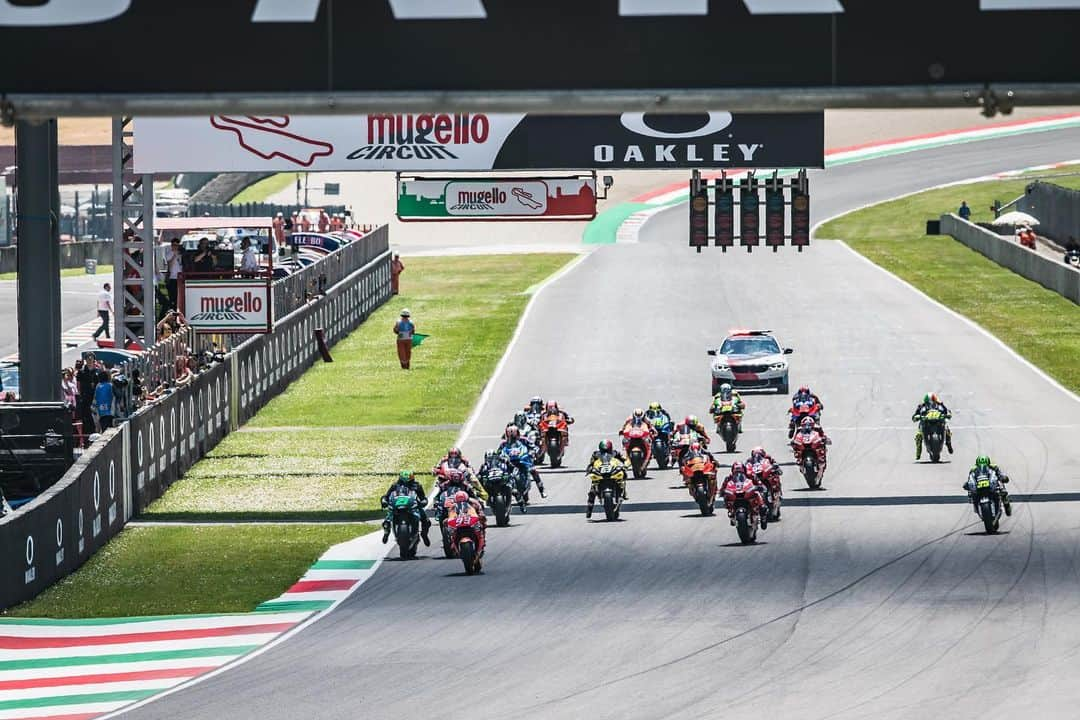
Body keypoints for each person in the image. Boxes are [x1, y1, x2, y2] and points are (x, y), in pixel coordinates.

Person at [380, 470, 432, 545]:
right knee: (387, 519)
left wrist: (423, 502)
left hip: (413, 506)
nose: (406, 483)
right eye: (403, 481)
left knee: (426, 521)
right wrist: (384, 501)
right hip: (397, 506)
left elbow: (422, 497)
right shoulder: (395, 485)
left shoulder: (417, 486)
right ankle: (386, 532)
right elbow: (386, 496)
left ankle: (424, 534)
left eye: (408, 480)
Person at [587, 440, 630, 515]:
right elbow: (591, 463)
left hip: (612, 472)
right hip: (600, 473)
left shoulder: (615, 453)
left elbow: (625, 459)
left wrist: (625, 466)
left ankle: (623, 492)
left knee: (623, 476)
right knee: (592, 488)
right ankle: (589, 508)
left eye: (607, 450)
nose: (605, 452)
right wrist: (589, 469)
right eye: (604, 451)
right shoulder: (596, 454)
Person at [912, 392, 954, 460]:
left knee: (947, 429)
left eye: (933, 400)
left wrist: (948, 415)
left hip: (938, 421)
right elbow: (914, 416)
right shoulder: (921, 406)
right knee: (918, 435)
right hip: (926, 423)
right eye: (929, 401)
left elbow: (947, 411)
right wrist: (916, 417)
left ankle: (948, 444)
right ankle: (918, 451)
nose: (931, 403)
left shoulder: (940, 405)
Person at [164, 238, 183, 309]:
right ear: (171, 245)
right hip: (172, 277)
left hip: (179, 277)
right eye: (174, 245)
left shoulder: (180, 253)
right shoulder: (169, 253)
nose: (175, 247)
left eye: (177, 245)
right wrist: (174, 256)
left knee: (179, 296)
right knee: (173, 296)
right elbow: (169, 265)